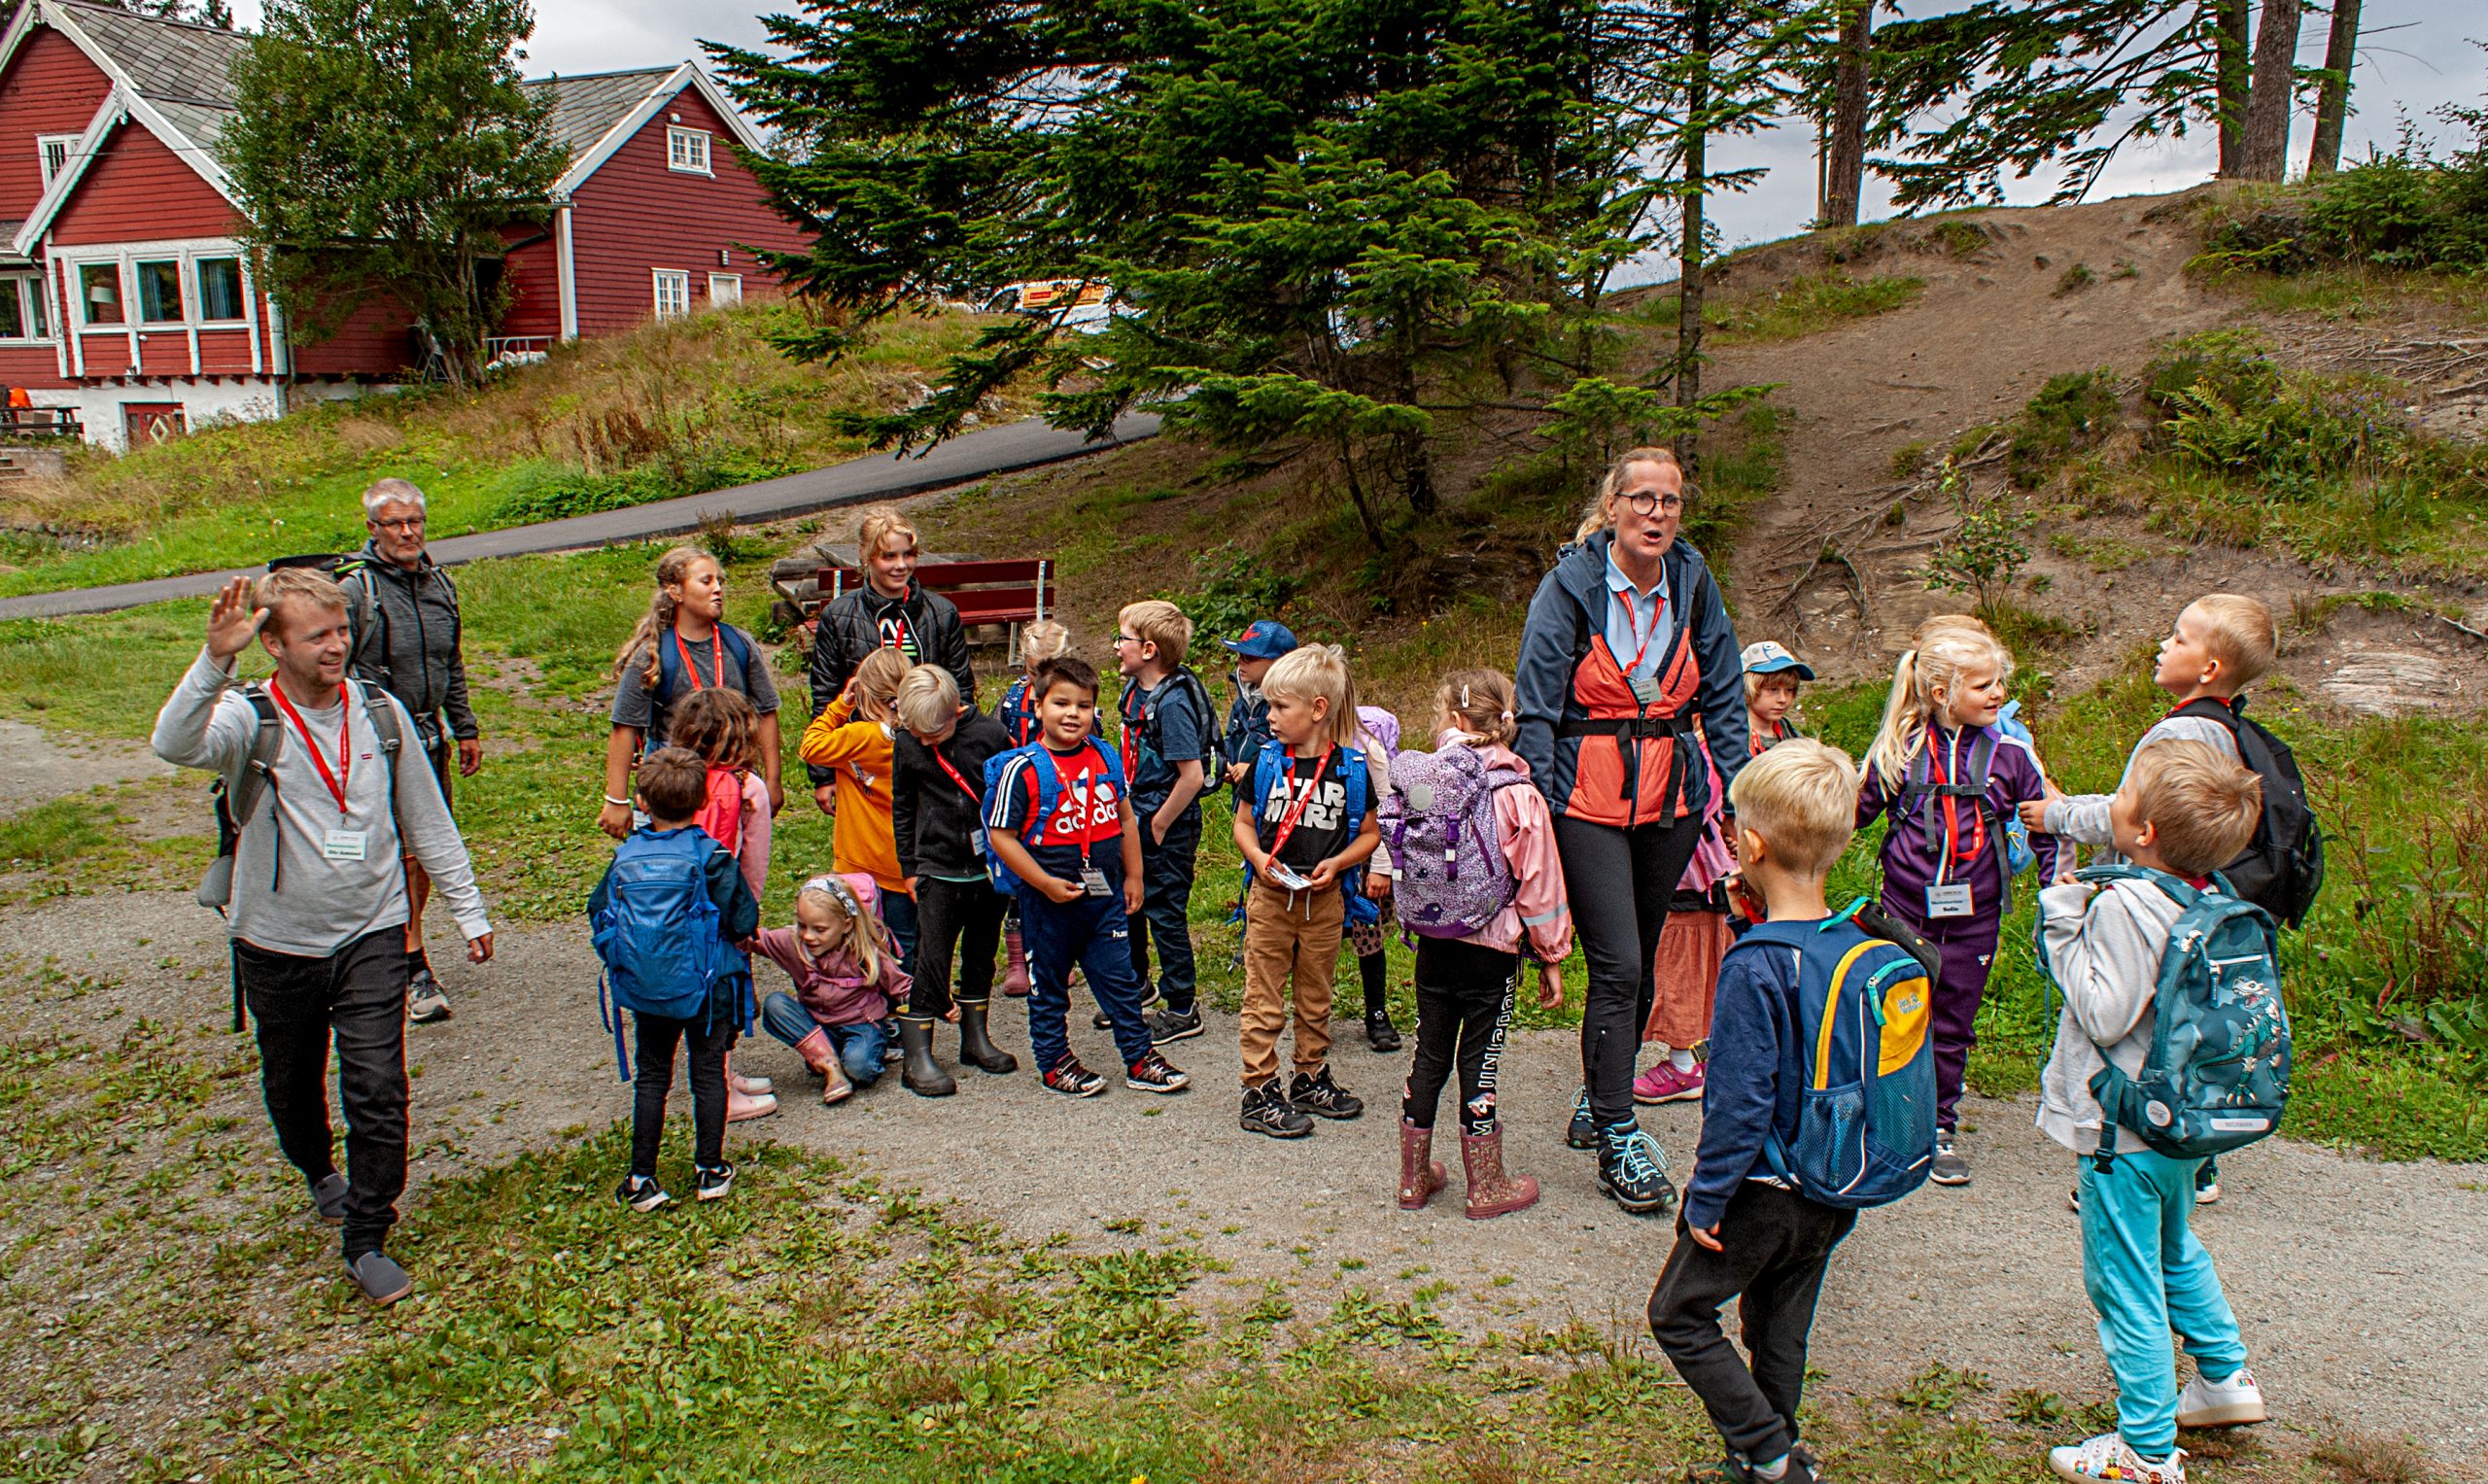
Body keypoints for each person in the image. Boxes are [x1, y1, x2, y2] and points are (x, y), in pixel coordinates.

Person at [155, 570, 494, 1304]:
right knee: (292, 1080)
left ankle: (367, 1233)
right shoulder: (249, 719)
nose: (338, 644)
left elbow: (427, 819)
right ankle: (317, 1169)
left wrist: (468, 910)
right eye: (318, 634)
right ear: (273, 643)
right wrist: (214, 661)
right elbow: (173, 744)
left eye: (342, 630)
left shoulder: (380, 711)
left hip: (372, 930)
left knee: (378, 1087)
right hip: (276, 941)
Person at [1513, 445, 1750, 1215]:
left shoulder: (1692, 581)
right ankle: (1620, 1130)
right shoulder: (1569, 589)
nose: (1656, 515)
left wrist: (1740, 795)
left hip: (1671, 802)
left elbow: (1722, 692)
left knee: (1643, 961)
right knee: (1617, 963)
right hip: (1584, 803)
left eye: (1669, 502)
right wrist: (1537, 813)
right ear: (1612, 507)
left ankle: (1598, 1091)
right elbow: (1538, 706)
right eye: (1641, 499)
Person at [2036, 740, 2269, 1484]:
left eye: (2125, 799)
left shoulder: (2129, 904)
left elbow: (2104, 1013)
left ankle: (2145, 1450)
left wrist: (2064, 916)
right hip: (2174, 1128)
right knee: (2174, 1249)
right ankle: (2224, 1377)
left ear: (2143, 835)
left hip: (2120, 1135)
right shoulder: (2205, 895)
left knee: (2124, 1282)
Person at [1646, 740, 1872, 1484]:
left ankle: (1770, 1453)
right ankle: (1772, 1455)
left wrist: (1704, 1199)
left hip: (1763, 1191)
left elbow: (1739, 1103)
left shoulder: (1754, 964)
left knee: (1679, 1313)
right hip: (1834, 1186)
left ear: (1749, 843)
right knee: (1780, 1324)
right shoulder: (1858, 944)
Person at [2024, 594, 2276, 1208]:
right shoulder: (2223, 726)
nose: (2164, 645)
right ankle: (2191, 1157)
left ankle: (2142, 1150)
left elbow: (2132, 817)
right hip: (2196, 894)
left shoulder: (2180, 732)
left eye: (2178, 637)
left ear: (2210, 667)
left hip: (2151, 894)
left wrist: (2056, 813)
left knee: (2142, 1023)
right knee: (2180, 1016)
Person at [1857, 614, 2057, 1187]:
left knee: (1951, 1025)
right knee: (1893, 1017)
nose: (1998, 694)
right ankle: (1885, 1120)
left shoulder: (2012, 758)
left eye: (1999, 682)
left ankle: (1937, 1127)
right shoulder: (1901, 750)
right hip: (1902, 911)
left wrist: (2053, 885)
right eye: (1983, 685)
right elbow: (1852, 813)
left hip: (1975, 918)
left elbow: (2041, 825)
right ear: (1942, 693)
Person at [1395, 670, 1571, 1219]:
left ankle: (1413, 1179)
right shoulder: (1519, 792)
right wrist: (1551, 955)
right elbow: (1541, 883)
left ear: (1451, 718)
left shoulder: (1427, 781)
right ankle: (1486, 1184)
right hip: (1491, 951)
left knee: (1428, 1053)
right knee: (1481, 1062)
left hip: (1433, 939)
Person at [984, 655, 1192, 1098]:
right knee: (1050, 988)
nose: (1073, 714)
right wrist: (1041, 883)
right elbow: (1000, 835)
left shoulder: (1104, 757)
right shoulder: (1022, 769)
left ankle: (1139, 1058)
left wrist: (1134, 876)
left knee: (1121, 982)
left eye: (1083, 705)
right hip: (1048, 902)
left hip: (1104, 897)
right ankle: (1055, 1063)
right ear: (1038, 706)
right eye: (1061, 703)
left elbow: (1125, 819)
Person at [337, 477, 480, 1027]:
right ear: (372, 530)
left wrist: (463, 726)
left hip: (428, 740)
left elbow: (453, 662)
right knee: (385, 852)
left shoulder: (439, 585)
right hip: (373, 744)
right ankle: (405, 961)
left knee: (420, 851)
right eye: (394, 523)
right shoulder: (357, 592)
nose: (406, 532)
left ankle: (402, 947)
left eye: (414, 521)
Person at [592, 747, 760, 1213]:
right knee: (708, 1075)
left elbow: (596, 910)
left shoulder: (625, 856)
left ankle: (642, 1177)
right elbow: (745, 918)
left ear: (642, 801)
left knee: (652, 1078)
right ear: (702, 797)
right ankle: (709, 1169)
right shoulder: (712, 857)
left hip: (648, 988)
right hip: (707, 988)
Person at [1230, 644, 1382, 1138]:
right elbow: (1244, 825)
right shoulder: (1266, 762)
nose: (1270, 717)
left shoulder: (1351, 770)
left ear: (1318, 709)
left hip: (1324, 901)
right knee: (1263, 995)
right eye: (1269, 706)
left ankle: (1310, 1076)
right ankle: (1259, 1089)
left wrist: (1339, 863)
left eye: (1280, 707)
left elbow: (1369, 833)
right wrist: (1259, 860)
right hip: (1271, 899)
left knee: (1316, 996)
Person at [599, 545, 784, 843]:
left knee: (727, 873)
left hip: (731, 787)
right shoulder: (651, 655)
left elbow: (766, 712)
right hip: (671, 789)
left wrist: (773, 782)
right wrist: (616, 800)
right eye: (706, 581)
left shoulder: (739, 645)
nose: (718, 589)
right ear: (676, 592)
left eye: (720, 581)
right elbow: (624, 726)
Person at [892, 663, 1020, 1084]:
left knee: (982, 952)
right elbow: (903, 805)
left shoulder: (991, 735)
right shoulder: (909, 741)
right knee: (931, 958)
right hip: (936, 866)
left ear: (955, 711)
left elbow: (1009, 797)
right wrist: (909, 868)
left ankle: (975, 1037)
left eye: (934, 734)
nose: (925, 742)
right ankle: (919, 1057)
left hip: (986, 869)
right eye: (918, 734)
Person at [808, 506, 974, 817]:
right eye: (888, 556)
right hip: (866, 758)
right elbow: (825, 692)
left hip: (928, 750)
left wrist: (958, 751)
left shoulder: (941, 612)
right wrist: (824, 775)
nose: (901, 565)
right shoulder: (839, 616)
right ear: (866, 556)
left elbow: (961, 686)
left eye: (908, 554)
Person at [671, 686, 780, 1122]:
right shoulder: (747, 786)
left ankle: (720, 1077)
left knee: (702, 997)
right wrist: (747, 914)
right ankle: (721, 1090)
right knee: (726, 1002)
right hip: (723, 910)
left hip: (678, 909)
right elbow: (753, 858)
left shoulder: (674, 777)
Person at [1111, 600, 1216, 1043]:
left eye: (1123, 639)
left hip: (1166, 825)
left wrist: (1156, 826)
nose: (1117, 647)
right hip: (1138, 816)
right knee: (1132, 903)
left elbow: (1191, 776)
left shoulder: (1171, 704)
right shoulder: (1136, 692)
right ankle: (1139, 987)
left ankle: (1181, 1006)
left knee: (1166, 913)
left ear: (1149, 649)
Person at [799, 646, 917, 972]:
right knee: (904, 944)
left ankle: (859, 1005)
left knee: (854, 943)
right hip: (902, 866)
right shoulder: (919, 740)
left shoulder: (859, 737)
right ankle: (905, 1011)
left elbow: (810, 745)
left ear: (865, 693)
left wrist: (840, 705)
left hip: (855, 864)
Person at [1633, 721, 1732, 1106]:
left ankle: (1683, 1067)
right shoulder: (1720, 751)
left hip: (1690, 882)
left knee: (1680, 981)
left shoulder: (1700, 756)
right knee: (1697, 975)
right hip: (1706, 880)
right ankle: (1697, 1060)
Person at [753, 873, 912, 1105]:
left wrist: (938, 1004)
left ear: (846, 925)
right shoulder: (793, 942)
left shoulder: (864, 949)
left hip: (861, 1025)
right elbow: (749, 939)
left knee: (861, 1070)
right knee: (775, 1004)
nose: (808, 936)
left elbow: (901, 985)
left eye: (819, 929)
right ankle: (831, 1066)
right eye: (802, 925)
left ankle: (859, 1052)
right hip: (818, 1027)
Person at [995, 618, 1079, 995]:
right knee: (1019, 881)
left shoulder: (1077, 702)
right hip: (1022, 798)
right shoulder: (1013, 700)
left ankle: (1059, 956)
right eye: (1033, 673)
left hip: (1063, 800)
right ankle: (1017, 959)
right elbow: (996, 745)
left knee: (1061, 874)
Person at [1344, 704, 1403, 1053]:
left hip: (1365, 854)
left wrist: (1382, 864)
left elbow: (1385, 804)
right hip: (1323, 851)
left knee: (1369, 933)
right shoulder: (1304, 737)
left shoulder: (1368, 743)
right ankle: (1313, 1012)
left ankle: (1376, 1011)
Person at [996, 618, 1073, 747]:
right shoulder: (1014, 697)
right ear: (1025, 664)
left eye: (1048, 674)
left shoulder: (1075, 697)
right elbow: (997, 733)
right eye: (1033, 673)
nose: (1040, 681)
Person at [1741, 640, 1813, 754]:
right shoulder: (1734, 737)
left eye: (1789, 690)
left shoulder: (1788, 732)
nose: (1783, 699)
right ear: (1747, 689)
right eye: (1772, 689)